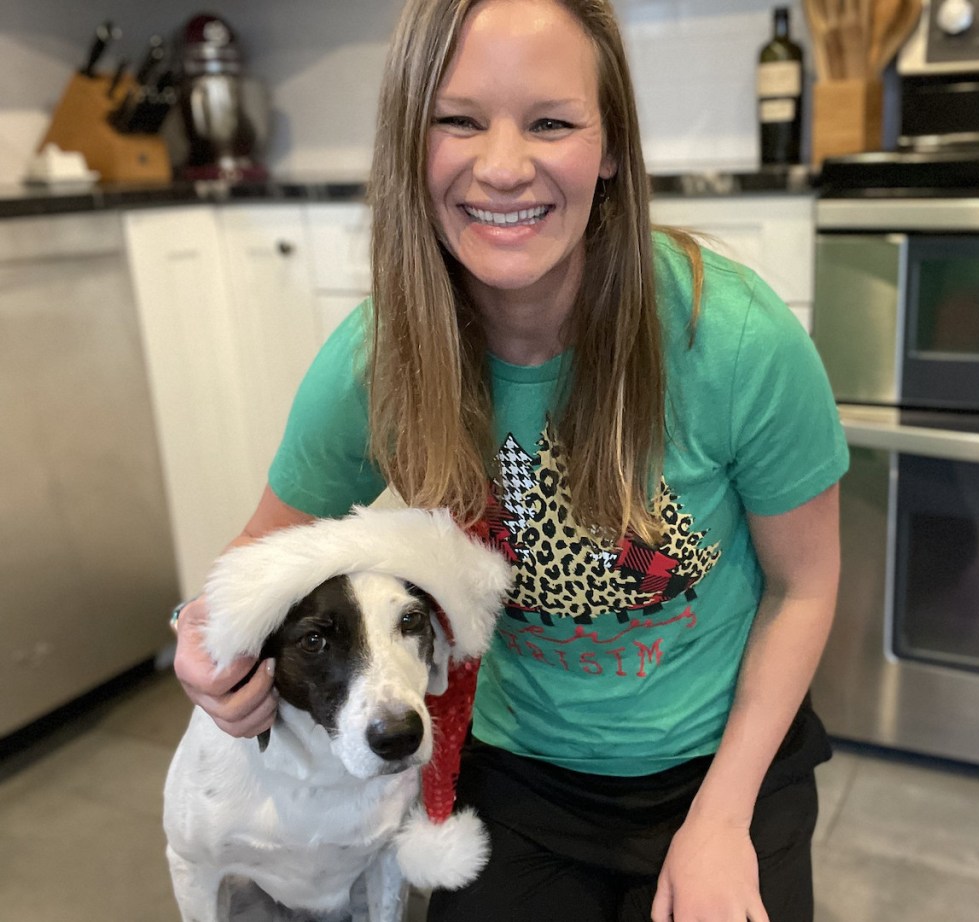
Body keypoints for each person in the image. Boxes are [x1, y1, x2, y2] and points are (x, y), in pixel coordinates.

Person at [172, 0, 849, 919]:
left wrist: (722, 819)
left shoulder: (734, 338)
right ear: (412, 141)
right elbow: (251, 564)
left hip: (727, 766)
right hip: (518, 778)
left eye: (551, 121)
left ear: (610, 148)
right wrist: (201, 641)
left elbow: (803, 586)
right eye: (457, 118)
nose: (500, 165)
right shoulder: (380, 359)